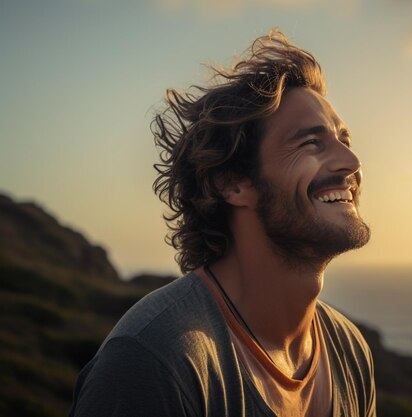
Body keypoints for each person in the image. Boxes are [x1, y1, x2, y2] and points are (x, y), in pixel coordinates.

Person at [69, 30, 375, 417]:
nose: (351, 161)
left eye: (344, 139)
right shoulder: (153, 360)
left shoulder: (350, 351)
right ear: (232, 183)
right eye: (311, 143)